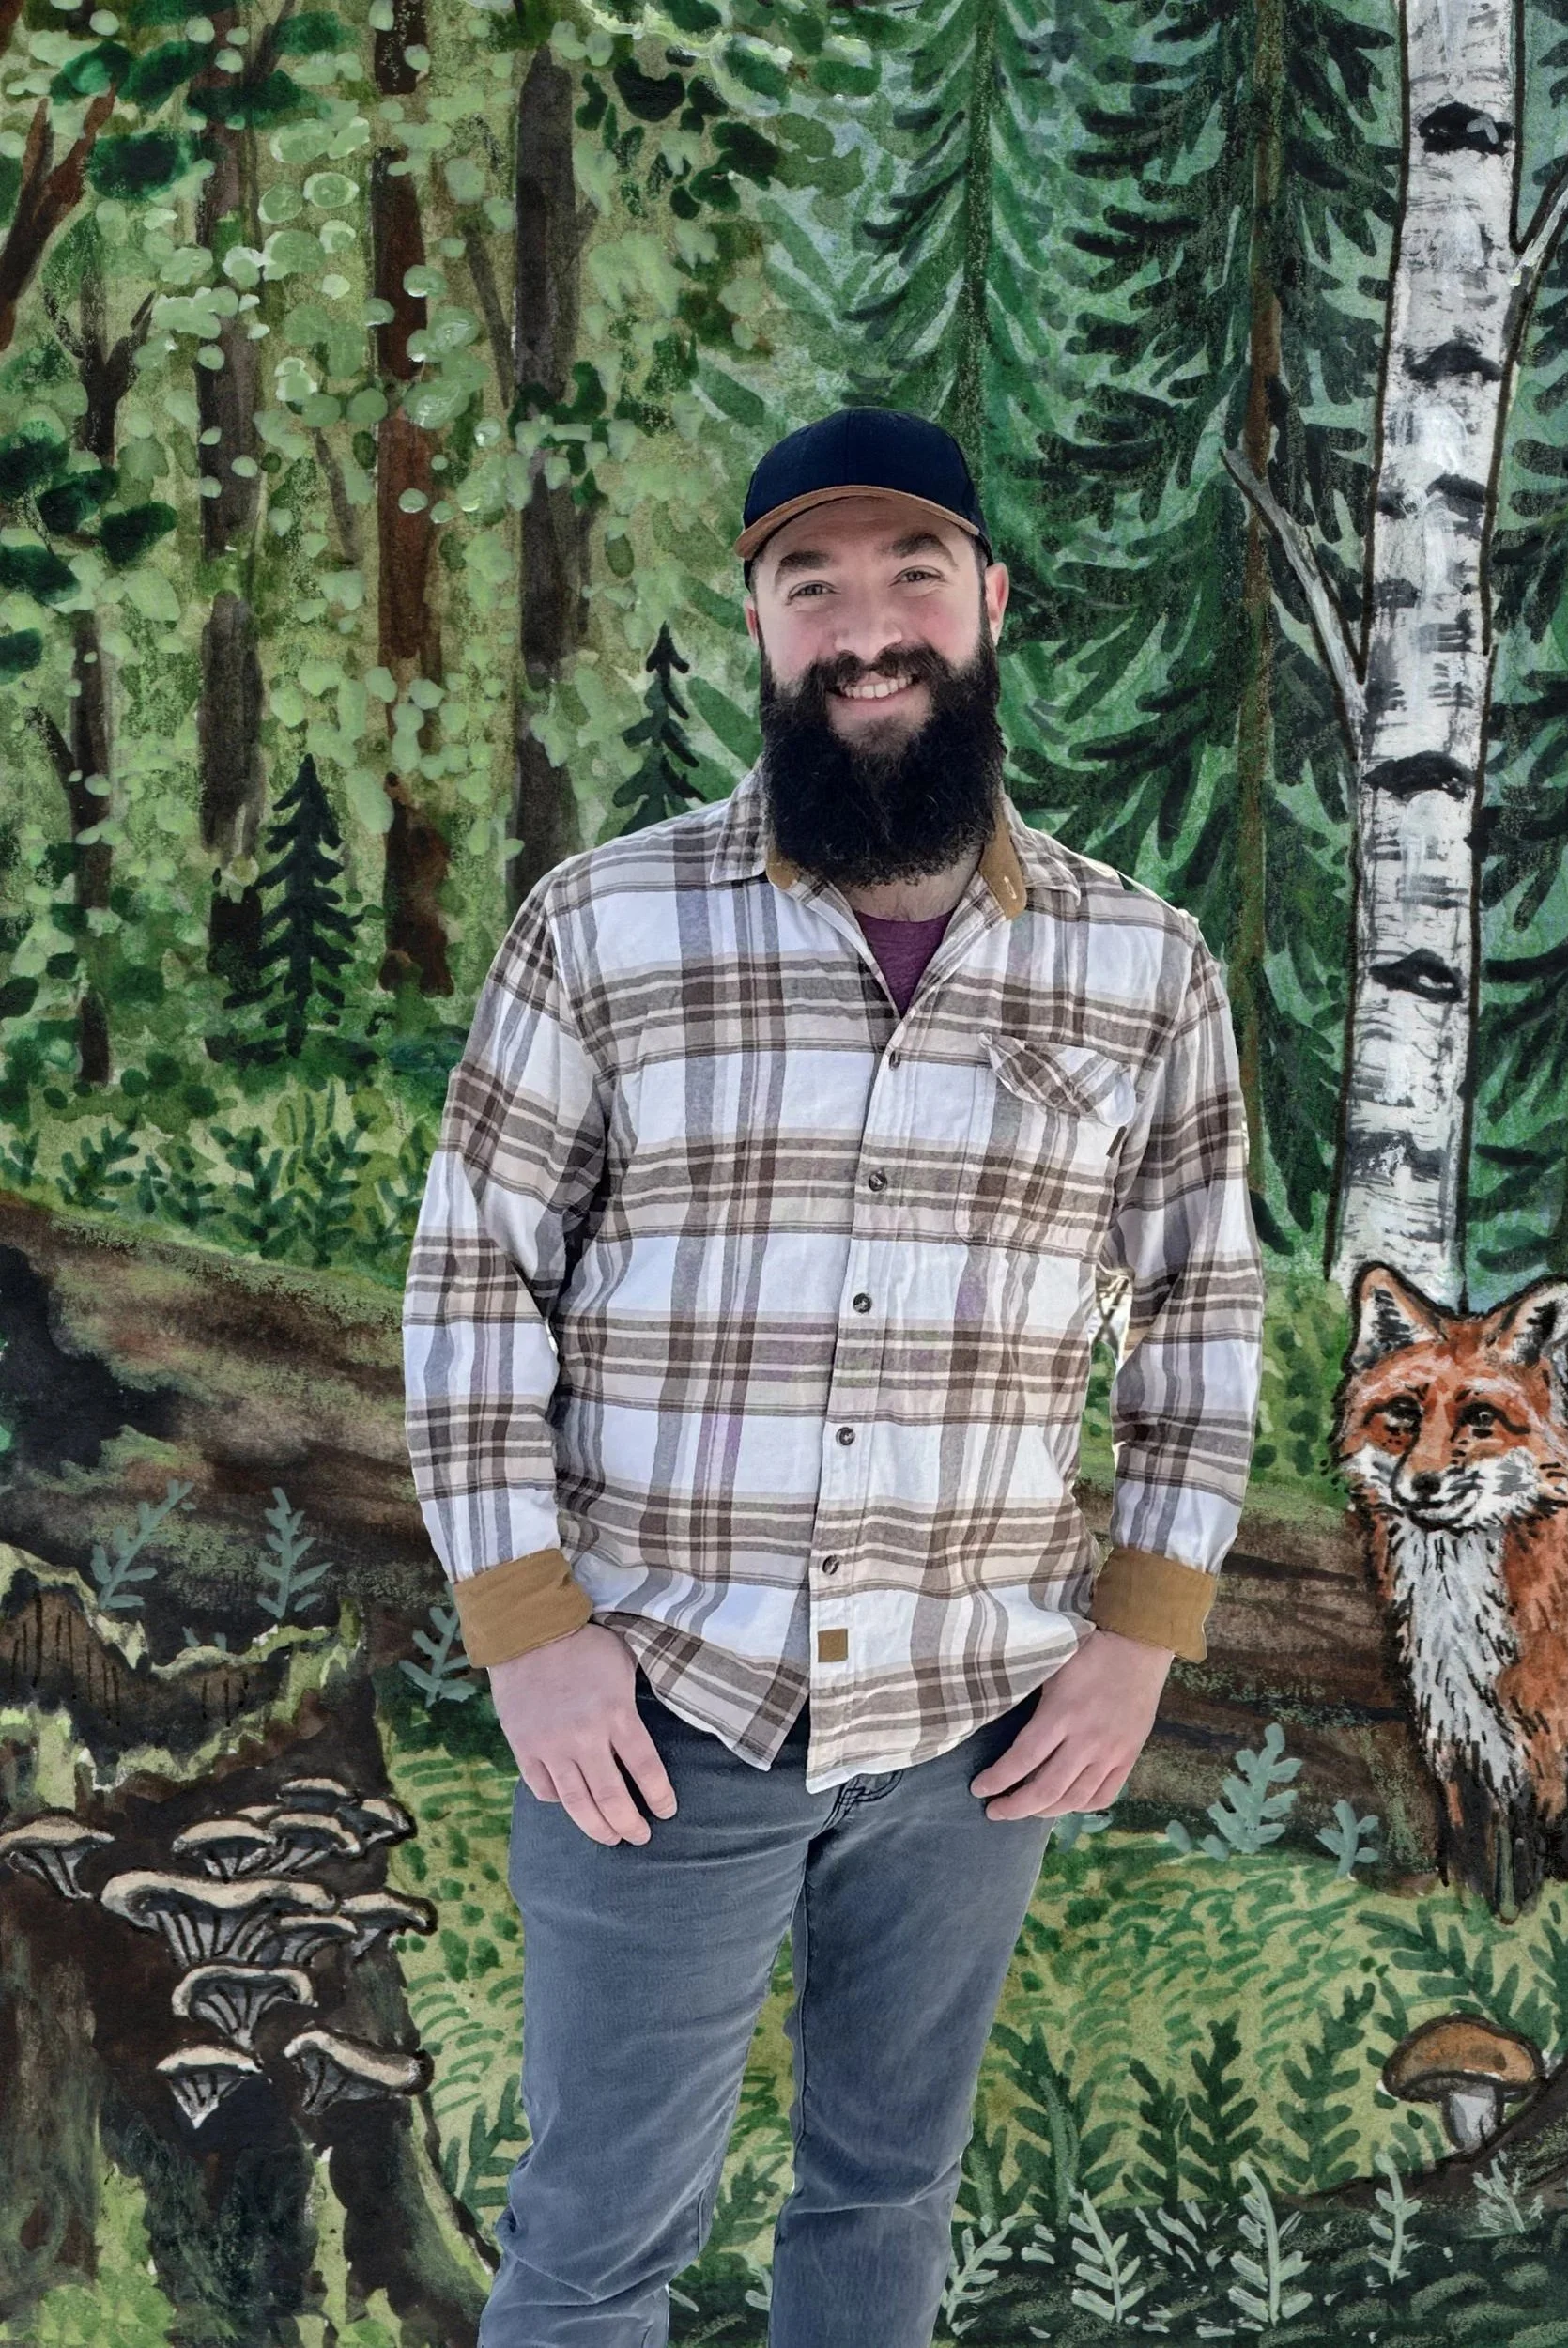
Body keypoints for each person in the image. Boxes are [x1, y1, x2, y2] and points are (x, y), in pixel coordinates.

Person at [401, 407, 1265, 2348]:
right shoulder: (604, 924)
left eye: (910, 578)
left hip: (978, 1712)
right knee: (597, 2237)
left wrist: (1139, 1639)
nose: (866, 631)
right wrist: (527, 1630)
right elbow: (470, 1285)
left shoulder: (1143, 968)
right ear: (758, 625)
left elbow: (1201, 1310)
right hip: (657, 1701)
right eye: (814, 588)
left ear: (991, 602)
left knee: (884, 2197)